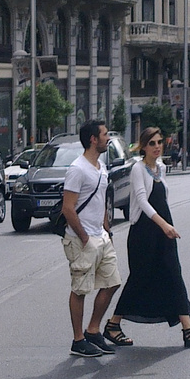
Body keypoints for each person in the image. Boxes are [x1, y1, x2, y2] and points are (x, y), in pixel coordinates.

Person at [102, 127, 190, 349]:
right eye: (152, 143)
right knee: (140, 278)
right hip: (144, 233)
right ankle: (113, 324)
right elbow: (143, 201)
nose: (157, 146)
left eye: (159, 142)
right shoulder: (138, 169)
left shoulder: (161, 168)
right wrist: (164, 225)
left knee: (173, 274)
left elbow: (163, 199)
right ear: (143, 146)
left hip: (163, 232)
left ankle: (188, 329)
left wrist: (166, 227)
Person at [61, 119, 121, 357]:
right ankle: (78, 340)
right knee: (80, 290)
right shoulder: (77, 169)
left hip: (101, 236)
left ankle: (93, 330)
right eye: (105, 134)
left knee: (112, 282)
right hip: (81, 239)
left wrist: (107, 230)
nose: (108, 138)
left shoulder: (100, 167)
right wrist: (84, 237)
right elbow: (68, 208)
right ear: (93, 139)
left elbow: (100, 203)